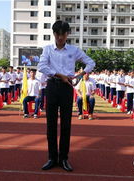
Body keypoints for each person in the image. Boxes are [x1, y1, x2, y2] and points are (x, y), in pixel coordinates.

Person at [38, 21, 95, 172]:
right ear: (54, 34)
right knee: (51, 123)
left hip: (66, 88)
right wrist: (59, 75)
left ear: (67, 34)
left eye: (63, 34)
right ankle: (52, 158)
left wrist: (81, 74)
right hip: (52, 85)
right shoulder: (48, 49)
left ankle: (63, 158)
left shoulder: (74, 50)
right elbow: (41, 66)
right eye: (57, 34)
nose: (60, 37)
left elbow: (91, 62)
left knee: (65, 125)